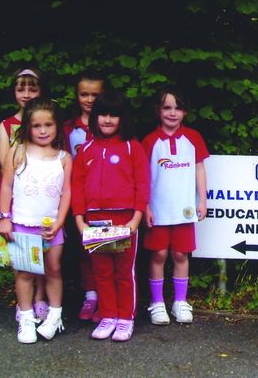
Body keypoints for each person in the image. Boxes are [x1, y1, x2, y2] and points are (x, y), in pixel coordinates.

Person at [71, 90, 150, 342]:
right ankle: (108, 316)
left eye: (113, 115)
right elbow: (77, 188)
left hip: (125, 220)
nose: (107, 119)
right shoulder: (85, 150)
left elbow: (142, 184)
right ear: (95, 118)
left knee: (124, 272)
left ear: (122, 118)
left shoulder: (132, 147)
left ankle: (125, 318)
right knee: (102, 271)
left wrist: (135, 219)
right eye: (102, 114)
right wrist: (80, 220)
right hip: (95, 221)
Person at [0, 97, 72, 343]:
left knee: (53, 270)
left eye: (48, 125)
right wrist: (4, 218)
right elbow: (6, 186)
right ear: (27, 127)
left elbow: (67, 193)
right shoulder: (17, 152)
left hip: (51, 228)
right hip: (22, 225)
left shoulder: (63, 158)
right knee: (25, 273)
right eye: (36, 126)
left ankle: (54, 316)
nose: (42, 131)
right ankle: (27, 318)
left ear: (56, 126)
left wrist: (60, 222)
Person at [142, 88, 209, 325]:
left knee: (181, 254)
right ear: (158, 111)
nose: (172, 113)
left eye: (177, 108)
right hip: (158, 210)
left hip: (184, 209)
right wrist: (145, 206)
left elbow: (199, 168)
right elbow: (143, 178)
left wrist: (203, 200)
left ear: (185, 112)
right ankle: (157, 303)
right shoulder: (149, 141)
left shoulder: (193, 138)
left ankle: (180, 302)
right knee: (158, 254)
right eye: (167, 108)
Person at [0, 68, 49, 323]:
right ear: (14, 92)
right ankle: (23, 303)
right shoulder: (7, 125)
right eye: (21, 89)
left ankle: (41, 297)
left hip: (42, 197)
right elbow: (5, 166)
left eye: (33, 88)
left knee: (44, 247)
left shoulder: (47, 123)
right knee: (23, 252)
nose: (27, 94)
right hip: (18, 195)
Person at [62, 73, 105, 323]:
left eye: (95, 95)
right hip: (79, 200)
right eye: (84, 94)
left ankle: (105, 296)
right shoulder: (68, 128)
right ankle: (90, 296)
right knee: (83, 250)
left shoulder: (111, 124)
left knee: (104, 249)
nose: (89, 99)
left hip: (105, 201)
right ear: (77, 96)